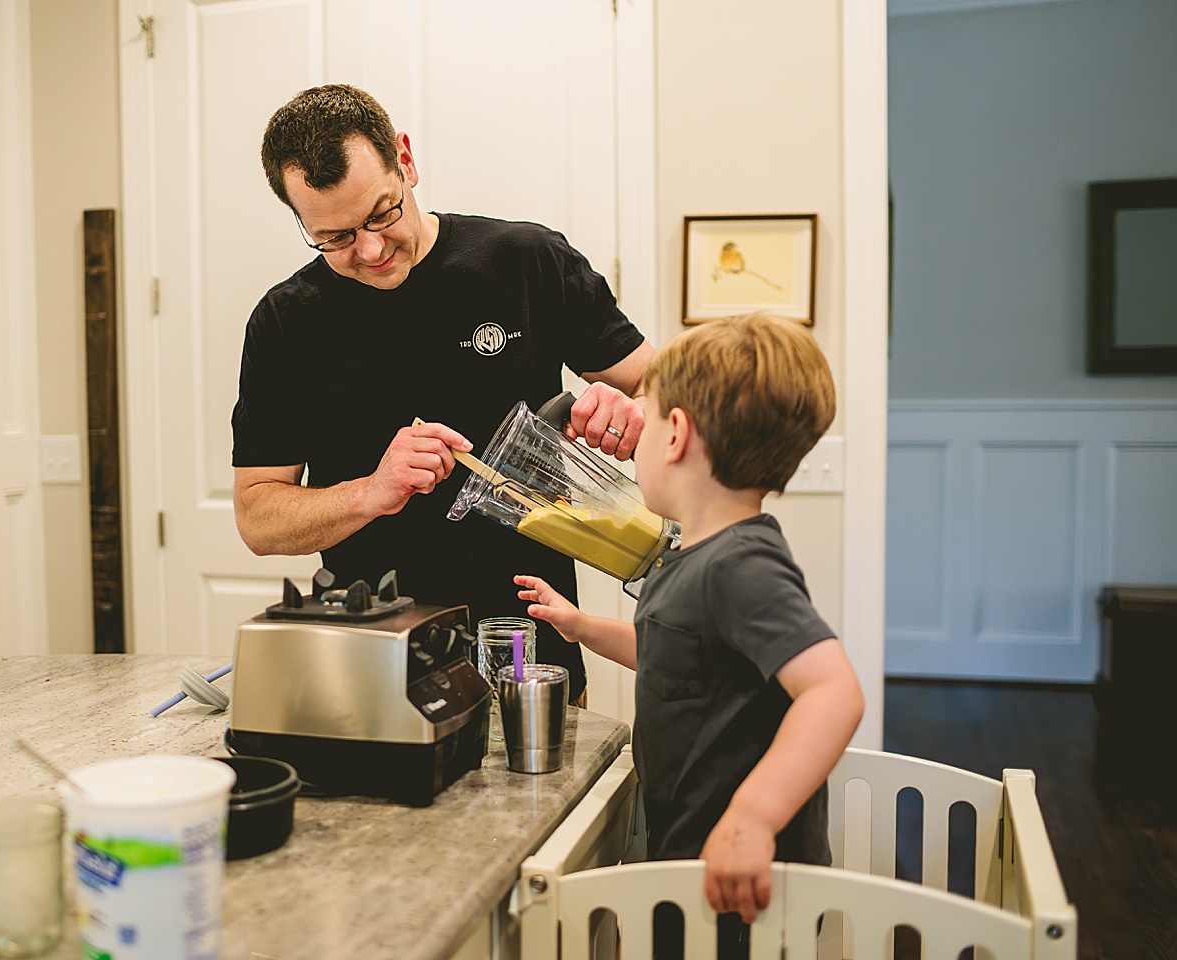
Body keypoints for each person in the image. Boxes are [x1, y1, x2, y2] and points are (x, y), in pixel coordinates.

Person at [231, 84, 655, 702]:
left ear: (406, 159)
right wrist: (371, 493)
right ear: (301, 222)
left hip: (530, 648)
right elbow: (257, 517)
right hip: (370, 657)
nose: (371, 249)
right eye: (335, 238)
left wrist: (630, 408)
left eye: (382, 213)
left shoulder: (525, 261)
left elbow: (664, 385)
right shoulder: (286, 322)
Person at [514, 312, 865, 935]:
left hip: (744, 882)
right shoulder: (690, 555)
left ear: (674, 434)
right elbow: (676, 657)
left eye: (640, 413)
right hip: (691, 859)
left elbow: (834, 691)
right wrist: (583, 627)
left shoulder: (741, 564)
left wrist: (751, 819)